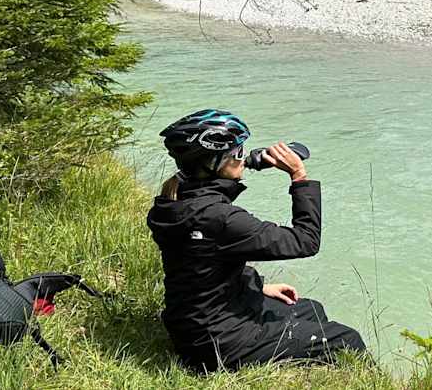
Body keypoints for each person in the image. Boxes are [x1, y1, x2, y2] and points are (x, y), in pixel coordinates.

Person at [146, 109, 367, 373]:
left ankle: (309, 363)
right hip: (222, 344)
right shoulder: (221, 218)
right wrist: (299, 177)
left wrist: (259, 286)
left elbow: (203, 261)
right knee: (348, 340)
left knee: (310, 310)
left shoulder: (175, 202)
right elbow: (305, 241)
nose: (244, 157)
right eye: (238, 153)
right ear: (213, 162)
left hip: (193, 327)